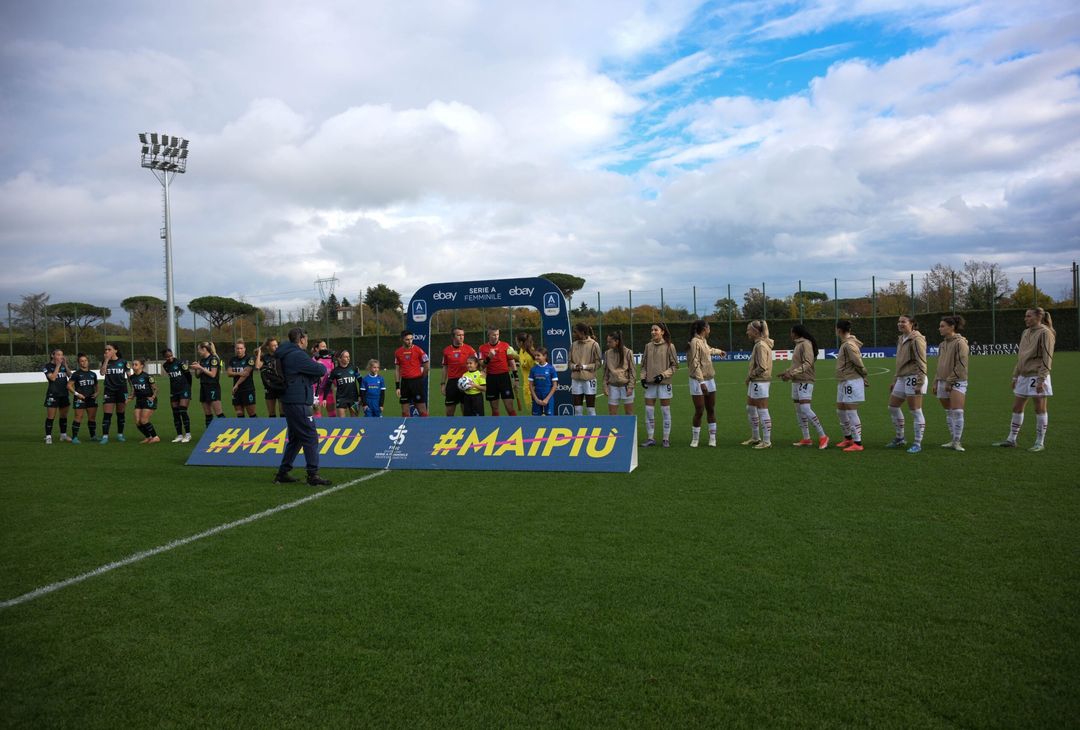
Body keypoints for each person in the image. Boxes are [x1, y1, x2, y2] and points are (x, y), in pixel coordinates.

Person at [273, 328, 331, 486]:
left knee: (296, 438)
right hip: (297, 400)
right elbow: (321, 370)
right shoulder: (297, 355)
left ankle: (283, 472)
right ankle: (313, 474)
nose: (307, 342)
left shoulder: (285, 352)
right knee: (310, 436)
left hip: (290, 399)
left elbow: (300, 374)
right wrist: (318, 362)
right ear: (301, 339)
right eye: (306, 339)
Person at [994, 307, 1056, 451]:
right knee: (1016, 407)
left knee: (1040, 408)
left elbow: (1047, 358)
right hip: (1024, 375)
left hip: (1037, 375)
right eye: (1025, 316)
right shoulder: (1025, 332)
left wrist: (1041, 379)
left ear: (1038, 317)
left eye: (1029, 316)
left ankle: (1040, 442)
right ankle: (1011, 439)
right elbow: (1021, 356)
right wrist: (1015, 375)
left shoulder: (1045, 333)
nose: (1025, 318)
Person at [779, 325, 829, 449]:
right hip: (796, 380)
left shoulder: (806, 344)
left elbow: (808, 363)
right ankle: (806, 438)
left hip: (806, 380)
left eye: (791, 332)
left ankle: (823, 436)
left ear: (796, 333)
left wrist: (792, 373)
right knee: (799, 410)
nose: (790, 335)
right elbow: (796, 364)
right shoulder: (798, 344)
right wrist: (787, 373)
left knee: (805, 408)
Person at [885, 315, 928, 453]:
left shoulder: (917, 339)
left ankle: (917, 443)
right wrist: (895, 379)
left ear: (912, 323)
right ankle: (900, 438)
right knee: (893, 407)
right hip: (902, 378)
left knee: (915, 410)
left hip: (914, 377)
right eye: (899, 322)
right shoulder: (901, 338)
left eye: (903, 321)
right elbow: (900, 363)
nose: (900, 324)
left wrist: (920, 382)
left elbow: (922, 361)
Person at [686, 320, 726, 447]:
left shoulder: (703, 340)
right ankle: (695, 439)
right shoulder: (694, 342)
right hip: (698, 381)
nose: (710, 330)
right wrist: (701, 382)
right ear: (704, 329)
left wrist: (719, 351)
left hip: (710, 379)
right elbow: (695, 363)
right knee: (699, 410)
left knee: (711, 409)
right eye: (709, 327)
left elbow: (709, 350)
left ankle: (712, 438)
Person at [640, 323, 678, 447]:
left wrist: (662, 375)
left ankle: (666, 439)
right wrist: (643, 378)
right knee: (649, 411)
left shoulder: (670, 346)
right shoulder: (648, 346)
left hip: (664, 384)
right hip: (650, 384)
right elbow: (643, 365)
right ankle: (650, 438)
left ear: (662, 332)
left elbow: (674, 366)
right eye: (652, 330)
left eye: (656, 330)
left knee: (665, 411)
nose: (653, 332)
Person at [935, 315, 970, 452]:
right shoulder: (942, 344)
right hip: (942, 381)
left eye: (942, 326)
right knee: (949, 412)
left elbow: (961, 365)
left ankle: (957, 442)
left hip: (957, 381)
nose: (939, 328)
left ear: (952, 327)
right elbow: (939, 365)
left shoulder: (960, 343)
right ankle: (952, 439)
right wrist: (936, 381)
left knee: (957, 411)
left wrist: (950, 381)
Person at [834, 320, 870, 452]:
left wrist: (864, 375)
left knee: (851, 411)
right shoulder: (846, 343)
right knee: (840, 410)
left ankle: (858, 442)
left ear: (839, 330)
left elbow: (858, 362)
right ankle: (848, 438)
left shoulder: (849, 345)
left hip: (851, 380)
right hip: (844, 380)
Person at [743, 320, 774, 449]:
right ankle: (756, 437)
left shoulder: (761, 345)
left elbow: (762, 366)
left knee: (762, 410)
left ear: (755, 332)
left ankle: (766, 441)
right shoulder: (759, 344)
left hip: (760, 381)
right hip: (756, 381)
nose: (747, 332)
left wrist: (750, 376)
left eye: (748, 330)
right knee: (750, 408)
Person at [478, 327, 518, 416]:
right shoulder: (482, 348)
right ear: (488, 335)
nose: (496, 337)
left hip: (504, 378)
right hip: (491, 379)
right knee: (494, 408)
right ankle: (496, 424)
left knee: (510, 407)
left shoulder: (505, 345)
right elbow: (482, 365)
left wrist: (516, 378)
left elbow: (512, 362)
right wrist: (489, 358)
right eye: (493, 335)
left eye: (497, 334)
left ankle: (515, 423)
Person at [98, 343, 131, 444]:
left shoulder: (123, 362)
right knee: (107, 415)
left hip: (122, 390)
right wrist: (106, 360)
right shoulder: (104, 361)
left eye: (109, 349)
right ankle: (105, 436)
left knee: (120, 414)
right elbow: (102, 373)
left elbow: (129, 377)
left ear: (115, 350)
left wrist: (133, 390)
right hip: (109, 390)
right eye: (105, 350)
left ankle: (120, 435)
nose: (106, 351)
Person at [441, 327, 476, 416]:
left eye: (463, 335)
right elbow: (445, 367)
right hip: (452, 383)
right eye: (459, 335)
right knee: (449, 412)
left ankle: (466, 425)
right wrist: (443, 384)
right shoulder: (446, 350)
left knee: (466, 412)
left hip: (466, 381)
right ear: (453, 337)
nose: (461, 337)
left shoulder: (470, 349)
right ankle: (450, 425)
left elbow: (477, 365)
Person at [569, 323, 603, 416]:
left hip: (589, 380)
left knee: (591, 410)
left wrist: (584, 367)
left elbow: (598, 363)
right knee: (577, 410)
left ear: (582, 332)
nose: (573, 334)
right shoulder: (573, 345)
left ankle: (593, 425)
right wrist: (575, 366)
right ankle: (579, 425)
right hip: (576, 379)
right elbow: (569, 363)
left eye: (575, 332)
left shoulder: (594, 344)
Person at [394, 330, 430, 417]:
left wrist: (421, 378)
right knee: (405, 412)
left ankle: (426, 425)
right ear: (402, 339)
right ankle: (407, 426)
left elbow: (427, 365)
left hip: (416, 382)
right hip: (405, 383)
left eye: (411, 339)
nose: (410, 341)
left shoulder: (418, 350)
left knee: (422, 411)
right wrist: (397, 386)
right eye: (407, 339)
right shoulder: (398, 352)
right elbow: (397, 370)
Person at [188, 341, 224, 427]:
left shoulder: (213, 359)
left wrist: (200, 367)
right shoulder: (202, 360)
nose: (198, 351)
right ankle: (209, 432)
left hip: (212, 387)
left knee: (218, 413)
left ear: (204, 349)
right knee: (207, 413)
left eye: (199, 349)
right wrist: (196, 368)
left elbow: (213, 374)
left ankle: (225, 430)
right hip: (203, 387)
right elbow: (197, 376)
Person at [161, 348, 193, 442]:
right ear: (164, 357)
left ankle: (188, 434)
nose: (170, 358)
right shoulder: (165, 366)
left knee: (183, 410)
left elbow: (188, 375)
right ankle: (179, 435)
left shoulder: (180, 363)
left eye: (171, 355)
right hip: (174, 391)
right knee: (175, 413)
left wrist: (188, 388)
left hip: (184, 389)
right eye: (167, 357)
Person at [67, 353, 99, 443]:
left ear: (88, 362)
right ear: (79, 363)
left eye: (85, 360)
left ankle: (93, 436)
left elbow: (96, 385)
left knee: (92, 418)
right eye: (81, 361)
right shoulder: (76, 374)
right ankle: (74, 438)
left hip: (91, 398)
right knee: (78, 417)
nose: (84, 362)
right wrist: (77, 394)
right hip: (80, 399)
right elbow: (69, 386)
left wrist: (97, 393)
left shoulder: (93, 374)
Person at [603, 331, 636, 416]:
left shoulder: (628, 352)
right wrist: (605, 386)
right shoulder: (607, 353)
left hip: (626, 386)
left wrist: (631, 387)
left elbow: (632, 371)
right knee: (612, 414)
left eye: (610, 342)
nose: (607, 344)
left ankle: (629, 426)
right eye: (607, 342)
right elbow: (606, 372)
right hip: (612, 386)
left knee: (629, 414)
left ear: (617, 341)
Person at [128, 358, 160, 444]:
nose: (133, 366)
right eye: (133, 364)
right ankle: (148, 437)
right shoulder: (132, 378)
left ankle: (155, 437)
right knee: (138, 422)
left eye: (136, 364)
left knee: (144, 420)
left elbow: (156, 389)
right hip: (139, 400)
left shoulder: (147, 376)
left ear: (141, 366)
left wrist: (153, 397)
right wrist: (130, 397)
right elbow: (134, 390)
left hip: (148, 400)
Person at [43, 348, 72, 444]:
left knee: (63, 416)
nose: (61, 357)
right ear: (53, 355)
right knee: (51, 417)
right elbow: (52, 378)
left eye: (62, 355)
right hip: (53, 394)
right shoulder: (47, 366)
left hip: (64, 393)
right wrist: (58, 365)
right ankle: (48, 436)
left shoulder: (63, 365)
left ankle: (63, 435)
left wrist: (65, 365)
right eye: (58, 354)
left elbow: (70, 375)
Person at [254, 337, 285, 417]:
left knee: (283, 412)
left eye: (277, 345)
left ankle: (283, 425)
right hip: (269, 387)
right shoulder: (265, 358)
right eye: (273, 345)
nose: (276, 347)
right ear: (268, 347)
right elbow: (257, 366)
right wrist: (259, 353)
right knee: (271, 413)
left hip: (281, 386)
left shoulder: (281, 356)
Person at [228, 339, 258, 418]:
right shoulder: (232, 360)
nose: (239, 350)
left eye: (241, 348)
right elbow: (229, 373)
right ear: (235, 349)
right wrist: (239, 373)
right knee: (239, 414)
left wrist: (236, 384)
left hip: (248, 389)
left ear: (245, 349)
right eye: (237, 348)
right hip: (236, 391)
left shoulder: (249, 359)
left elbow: (246, 374)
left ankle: (255, 426)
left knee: (252, 413)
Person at [329, 350, 361, 417]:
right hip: (341, 398)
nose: (348, 358)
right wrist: (324, 398)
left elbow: (361, 382)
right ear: (340, 359)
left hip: (354, 398)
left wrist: (360, 396)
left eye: (349, 356)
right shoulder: (335, 371)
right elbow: (328, 385)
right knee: (342, 421)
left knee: (355, 420)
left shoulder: (354, 368)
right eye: (346, 357)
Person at [529, 348, 559, 416]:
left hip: (548, 396)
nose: (536, 357)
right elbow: (530, 385)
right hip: (537, 397)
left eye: (538, 355)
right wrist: (536, 399)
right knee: (535, 418)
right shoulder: (533, 369)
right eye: (535, 355)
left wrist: (547, 399)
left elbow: (555, 385)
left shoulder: (551, 368)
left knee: (549, 419)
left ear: (545, 356)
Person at [515, 332, 538, 414]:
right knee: (531, 411)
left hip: (533, 387)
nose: (516, 343)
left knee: (537, 411)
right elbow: (520, 360)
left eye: (516, 341)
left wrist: (534, 388)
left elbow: (538, 372)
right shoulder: (522, 350)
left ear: (521, 343)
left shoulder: (531, 356)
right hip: (526, 385)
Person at [311, 341, 336, 418]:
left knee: (332, 414)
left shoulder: (330, 359)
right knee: (317, 414)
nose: (325, 348)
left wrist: (337, 385)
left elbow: (333, 375)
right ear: (317, 349)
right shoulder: (313, 360)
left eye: (326, 346)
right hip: (316, 392)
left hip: (328, 390)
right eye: (323, 346)